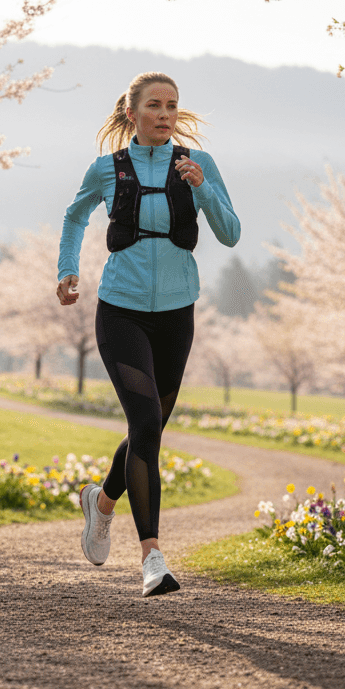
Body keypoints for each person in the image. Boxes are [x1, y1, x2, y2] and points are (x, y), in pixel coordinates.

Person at [56, 71, 240, 597]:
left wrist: (202, 190)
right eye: (155, 105)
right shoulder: (107, 169)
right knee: (144, 422)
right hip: (121, 311)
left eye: (172, 106)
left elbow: (231, 234)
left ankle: (103, 502)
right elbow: (74, 217)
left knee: (151, 426)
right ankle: (152, 557)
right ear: (133, 113)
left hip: (177, 312)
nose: (165, 114)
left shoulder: (198, 165)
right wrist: (67, 269)